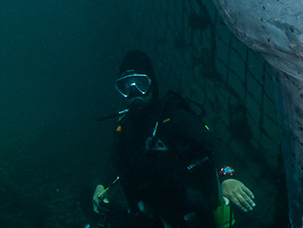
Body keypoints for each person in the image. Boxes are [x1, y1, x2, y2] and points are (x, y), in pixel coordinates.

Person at [90, 50, 256, 228]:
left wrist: (228, 178)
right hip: (156, 213)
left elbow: (216, 144)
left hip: (196, 212)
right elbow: (115, 161)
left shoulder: (174, 116)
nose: (134, 92)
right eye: (126, 87)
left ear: (152, 83)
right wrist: (101, 185)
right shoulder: (125, 129)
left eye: (140, 84)